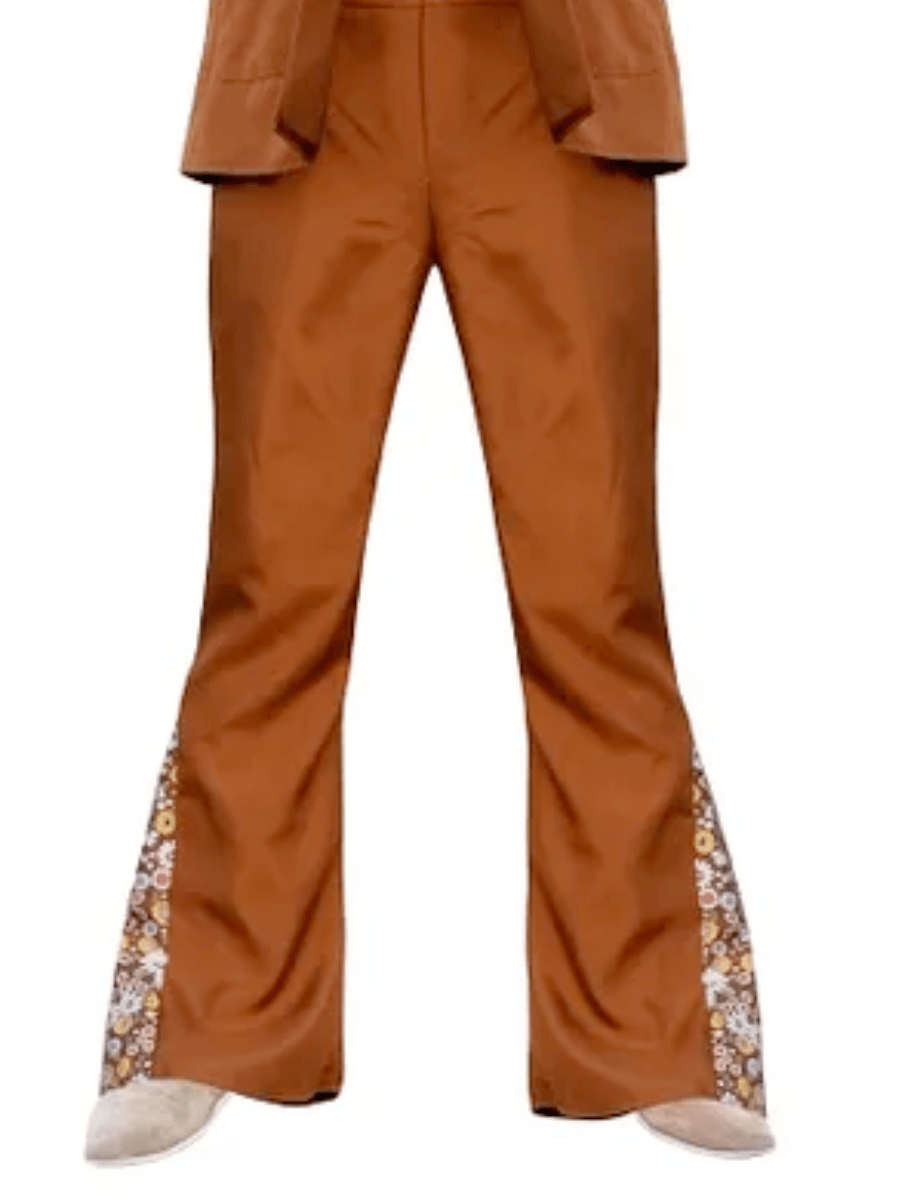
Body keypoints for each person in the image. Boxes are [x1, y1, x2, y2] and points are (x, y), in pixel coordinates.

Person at [84, 0, 775, 1165]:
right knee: (271, 575)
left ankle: (655, 1035)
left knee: (595, 581)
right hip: (302, 65)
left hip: (559, 69)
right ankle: (212, 1022)